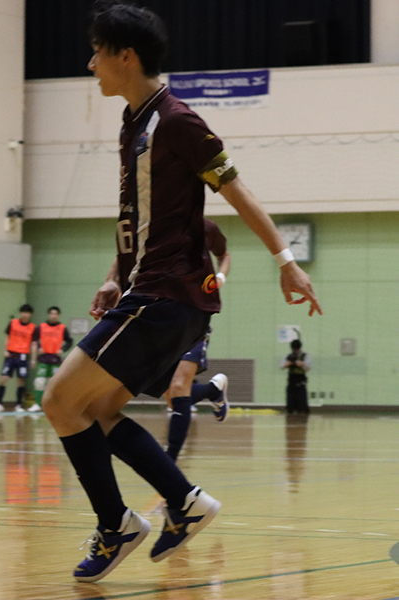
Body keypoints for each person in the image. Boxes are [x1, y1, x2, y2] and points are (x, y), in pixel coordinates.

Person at [41, 2, 321, 583]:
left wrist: (287, 262)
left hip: (165, 295)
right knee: (97, 410)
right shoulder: (134, 121)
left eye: (97, 53)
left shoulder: (176, 120)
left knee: (59, 401)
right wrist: (115, 273)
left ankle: (118, 523)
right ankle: (184, 501)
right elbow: (140, 218)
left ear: (126, 56)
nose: (90, 64)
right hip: (153, 291)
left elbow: (237, 189)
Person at [164, 218, 231, 461]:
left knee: (178, 387)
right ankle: (213, 390)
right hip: (161, 318)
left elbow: (224, 255)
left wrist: (220, 277)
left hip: (194, 316)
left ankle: (169, 462)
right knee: (171, 395)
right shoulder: (156, 226)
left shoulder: (206, 228)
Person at [0, 304, 36, 413]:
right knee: (4, 378)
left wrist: (33, 359)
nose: (25, 314)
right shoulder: (13, 323)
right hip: (11, 355)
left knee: (21, 381)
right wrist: (5, 350)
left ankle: (18, 405)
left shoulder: (32, 327)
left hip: (23, 356)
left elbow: (33, 344)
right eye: (23, 312)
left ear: (30, 314)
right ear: (20, 313)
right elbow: (7, 337)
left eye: (27, 312)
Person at [29, 306, 74, 412]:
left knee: (53, 384)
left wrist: (63, 350)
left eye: (56, 314)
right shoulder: (41, 327)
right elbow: (34, 341)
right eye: (52, 313)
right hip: (43, 359)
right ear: (48, 315)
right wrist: (35, 354)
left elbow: (69, 341)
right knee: (39, 382)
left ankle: (53, 405)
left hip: (55, 360)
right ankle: (38, 404)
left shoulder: (62, 328)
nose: (53, 316)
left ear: (58, 316)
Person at [281, 339, 311, 414]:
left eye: (296, 349)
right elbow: (282, 366)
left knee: (301, 398)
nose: (295, 350)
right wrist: (288, 364)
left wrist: (301, 364)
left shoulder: (305, 356)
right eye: (294, 349)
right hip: (291, 380)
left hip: (301, 380)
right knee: (290, 398)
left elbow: (308, 368)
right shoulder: (288, 356)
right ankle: (291, 409)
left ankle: (302, 410)